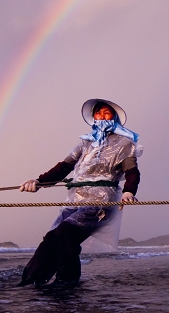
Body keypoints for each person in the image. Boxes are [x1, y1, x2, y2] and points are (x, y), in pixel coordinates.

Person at [18, 99, 142, 286]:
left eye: (106, 113)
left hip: (101, 201)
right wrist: (39, 182)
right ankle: (30, 280)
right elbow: (64, 167)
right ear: (93, 117)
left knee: (65, 233)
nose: (102, 117)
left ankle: (67, 283)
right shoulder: (86, 143)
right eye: (98, 113)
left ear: (114, 117)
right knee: (51, 238)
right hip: (76, 199)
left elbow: (131, 171)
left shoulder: (124, 143)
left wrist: (128, 192)